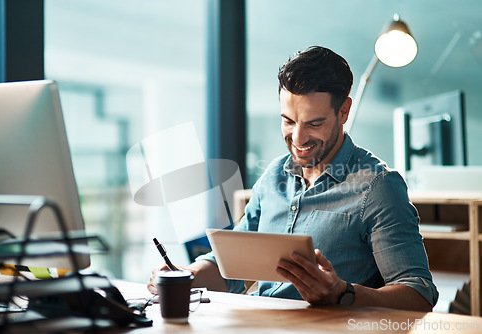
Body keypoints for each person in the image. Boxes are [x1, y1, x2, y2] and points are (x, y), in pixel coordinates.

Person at [148, 46, 438, 311]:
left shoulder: (378, 187)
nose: (298, 139)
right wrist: (186, 276)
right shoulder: (273, 177)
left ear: (344, 111)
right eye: (288, 121)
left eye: (314, 123)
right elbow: (230, 267)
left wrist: (342, 293)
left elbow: (419, 296)